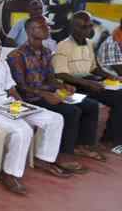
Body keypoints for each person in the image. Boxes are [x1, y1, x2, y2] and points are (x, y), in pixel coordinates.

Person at [0, 33, 70, 194]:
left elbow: (12, 89)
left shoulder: (2, 63)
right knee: (23, 130)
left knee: (55, 119)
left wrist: (23, 107)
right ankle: (9, 173)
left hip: (7, 104)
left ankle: (44, 159)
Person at [7, 16, 99, 170]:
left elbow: (50, 79)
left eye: (47, 26)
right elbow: (20, 87)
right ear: (30, 30)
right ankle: (62, 154)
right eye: (42, 27)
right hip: (31, 98)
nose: (47, 29)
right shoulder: (17, 55)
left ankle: (81, 145)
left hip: (49, 94)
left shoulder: (47, 51)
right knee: (71, 112)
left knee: (91, 105)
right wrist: (44, 94)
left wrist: (63, 86)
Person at [52, 11, 122, 156]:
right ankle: (85, 143)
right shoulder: (63, 45)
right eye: (83, 27)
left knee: (120, 96)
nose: (88, 30)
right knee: (91, 104)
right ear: (73, 28)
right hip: (72, 85)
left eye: (90, 26)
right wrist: (87, 83)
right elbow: (60, 74)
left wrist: (109, 76)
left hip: (89, 82)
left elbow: (93, 68)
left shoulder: (89, 43)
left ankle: (110, 137)